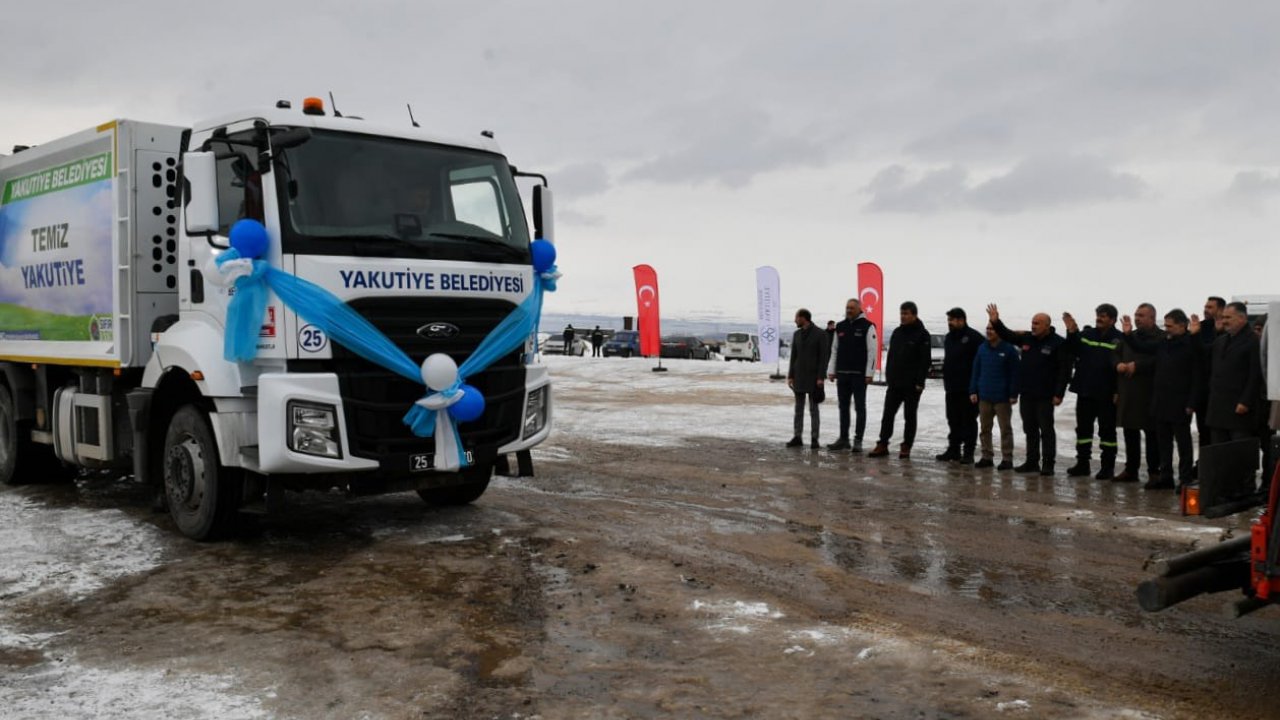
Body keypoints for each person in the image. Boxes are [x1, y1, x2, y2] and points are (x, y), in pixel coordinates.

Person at [988, 304, 1070, 476]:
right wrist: (996, 322)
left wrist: (1059, 393)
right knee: (1030, 429)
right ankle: (1032, 462)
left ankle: (1048, 464)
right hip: (1027, 393)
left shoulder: (1058, 343)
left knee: (1046, 430)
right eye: (1032, 322)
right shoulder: (1027, 338)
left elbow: (1065, 371)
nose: (1033, 326)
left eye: (1037, 323)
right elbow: (1007, 335)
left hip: (1046, 395)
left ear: (1047, 325)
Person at [1122, 309, 1198, 490]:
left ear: (1182, 325)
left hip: (1181, 402)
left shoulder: (1191, 344)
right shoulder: (1164, 342)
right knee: (1163, 443)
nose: (1167, 329)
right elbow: (1142, 348)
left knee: (1183, 444)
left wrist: (1192, 403)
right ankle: (1166, 477)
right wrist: (1128, 335)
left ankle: (1185, 478)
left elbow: (1197, 377)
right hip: (1161, 400)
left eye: (1170, 326)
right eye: (1165, 326)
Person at [1062, 304, 1123, 480]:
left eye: (1103, 316)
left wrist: (1118, 391)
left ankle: (1107, 467)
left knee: (1107, 432)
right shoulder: (1087, 334)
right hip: (1085, 390)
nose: (1099, 318)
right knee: (1083, 430)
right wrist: (1071, 332)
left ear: (1112, 319)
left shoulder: (1119, 339)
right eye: (1098, 315)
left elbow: (1121, 367)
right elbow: (1072, 350)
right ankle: (1082, 464)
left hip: (1107, 393)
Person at [869, 301, 931, 459]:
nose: (903, 316)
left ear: (914, 315)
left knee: (909, 416)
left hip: (912, 385)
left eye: (906, 314)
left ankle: (906, 446)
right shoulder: (897, 332)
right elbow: (891, 356)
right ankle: (883, 444)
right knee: (888, 414)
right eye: (901, 313)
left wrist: (920, 382)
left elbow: (925, 361)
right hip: (895, 383)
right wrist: (889, 375)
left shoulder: (922, 334)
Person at [1203, 301, 1264, 445]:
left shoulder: (1252, 341)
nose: (1224, 321)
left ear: (1242, 318)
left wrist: (1245, 401)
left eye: (1228, 318)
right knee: (1219, 449)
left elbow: (1255, 375)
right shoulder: (1221, 341)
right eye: (1223, 317)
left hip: (1239, 409)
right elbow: (1205, 360)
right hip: (1218, 408)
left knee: (1239, 449)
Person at [1114, 304, 1160, 483]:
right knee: (1130, 432)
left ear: (1152, 318)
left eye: (1141, 315)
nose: (1137, 318)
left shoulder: (1161, 337)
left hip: (1150, 392)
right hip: (1129, 391)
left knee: (1152, 434)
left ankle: (1154, 472)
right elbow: (1114, 354)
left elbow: (1159, 359)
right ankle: (1131, 470)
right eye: (1136, 315)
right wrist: (1118, 364)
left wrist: (1138, 366)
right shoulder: (1128, 336)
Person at [826, 298, 878, 452]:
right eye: (847, 308)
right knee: (843, 407)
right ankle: (844, 439)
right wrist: (831, 370)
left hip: (859, 375)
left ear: (859, 309)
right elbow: (834, 350)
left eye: (852, 308)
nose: (849, 310)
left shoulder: (868, 326)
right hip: (842, 374)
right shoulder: (840, 326)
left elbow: (872, 352)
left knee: (860, 407)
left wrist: (869, 373)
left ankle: (858, 440)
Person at [969, 323, 1021, 470]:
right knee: (985, 428)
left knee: (1005, 429)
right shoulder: (982, 348)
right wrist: (973, 390)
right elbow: (976, 370)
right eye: (987, 329)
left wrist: (1013, 393)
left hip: (1003, 398)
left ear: (999, 331)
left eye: (992, 329)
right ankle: (986, 456)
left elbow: (1015, 373)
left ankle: (1007, 459)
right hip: (984, 395)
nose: (989, 331)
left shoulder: (1009, 349)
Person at [936, 308, 984, 464]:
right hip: (952, 387)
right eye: (949, 320)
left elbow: (981, 363)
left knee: (968, 421)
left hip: (969, 388)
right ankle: (954, 450)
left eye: (953, 320)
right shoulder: (949, 338)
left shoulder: (974, 337)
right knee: (953, 419)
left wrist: (977, 386)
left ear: (962, 320)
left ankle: (968, 453)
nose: (950, 323)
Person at [787, 308, 830, 449]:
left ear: (803, 318)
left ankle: (814, 439)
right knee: (798, 409)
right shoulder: (797, 334)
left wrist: (821, 377)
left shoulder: (820, 334)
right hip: (799, 376)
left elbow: (824, 358)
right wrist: (790, 375)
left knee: (813, 410)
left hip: (814, 378)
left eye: (796, 317)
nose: (795, 320)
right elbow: (794, 356)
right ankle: (797, 437)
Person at [1194, 296, 1226, 450]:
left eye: (1210, 307)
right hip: (1202, 387)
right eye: (1205, 307)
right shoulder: (1200, 328)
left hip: (1221, 389)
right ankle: (1203, 460)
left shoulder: (1228, 330)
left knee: (1220, 431)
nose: (1205, 310)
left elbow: (1212, 352)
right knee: (1203, 429)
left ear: (1221, 309)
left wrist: (1218, 333)